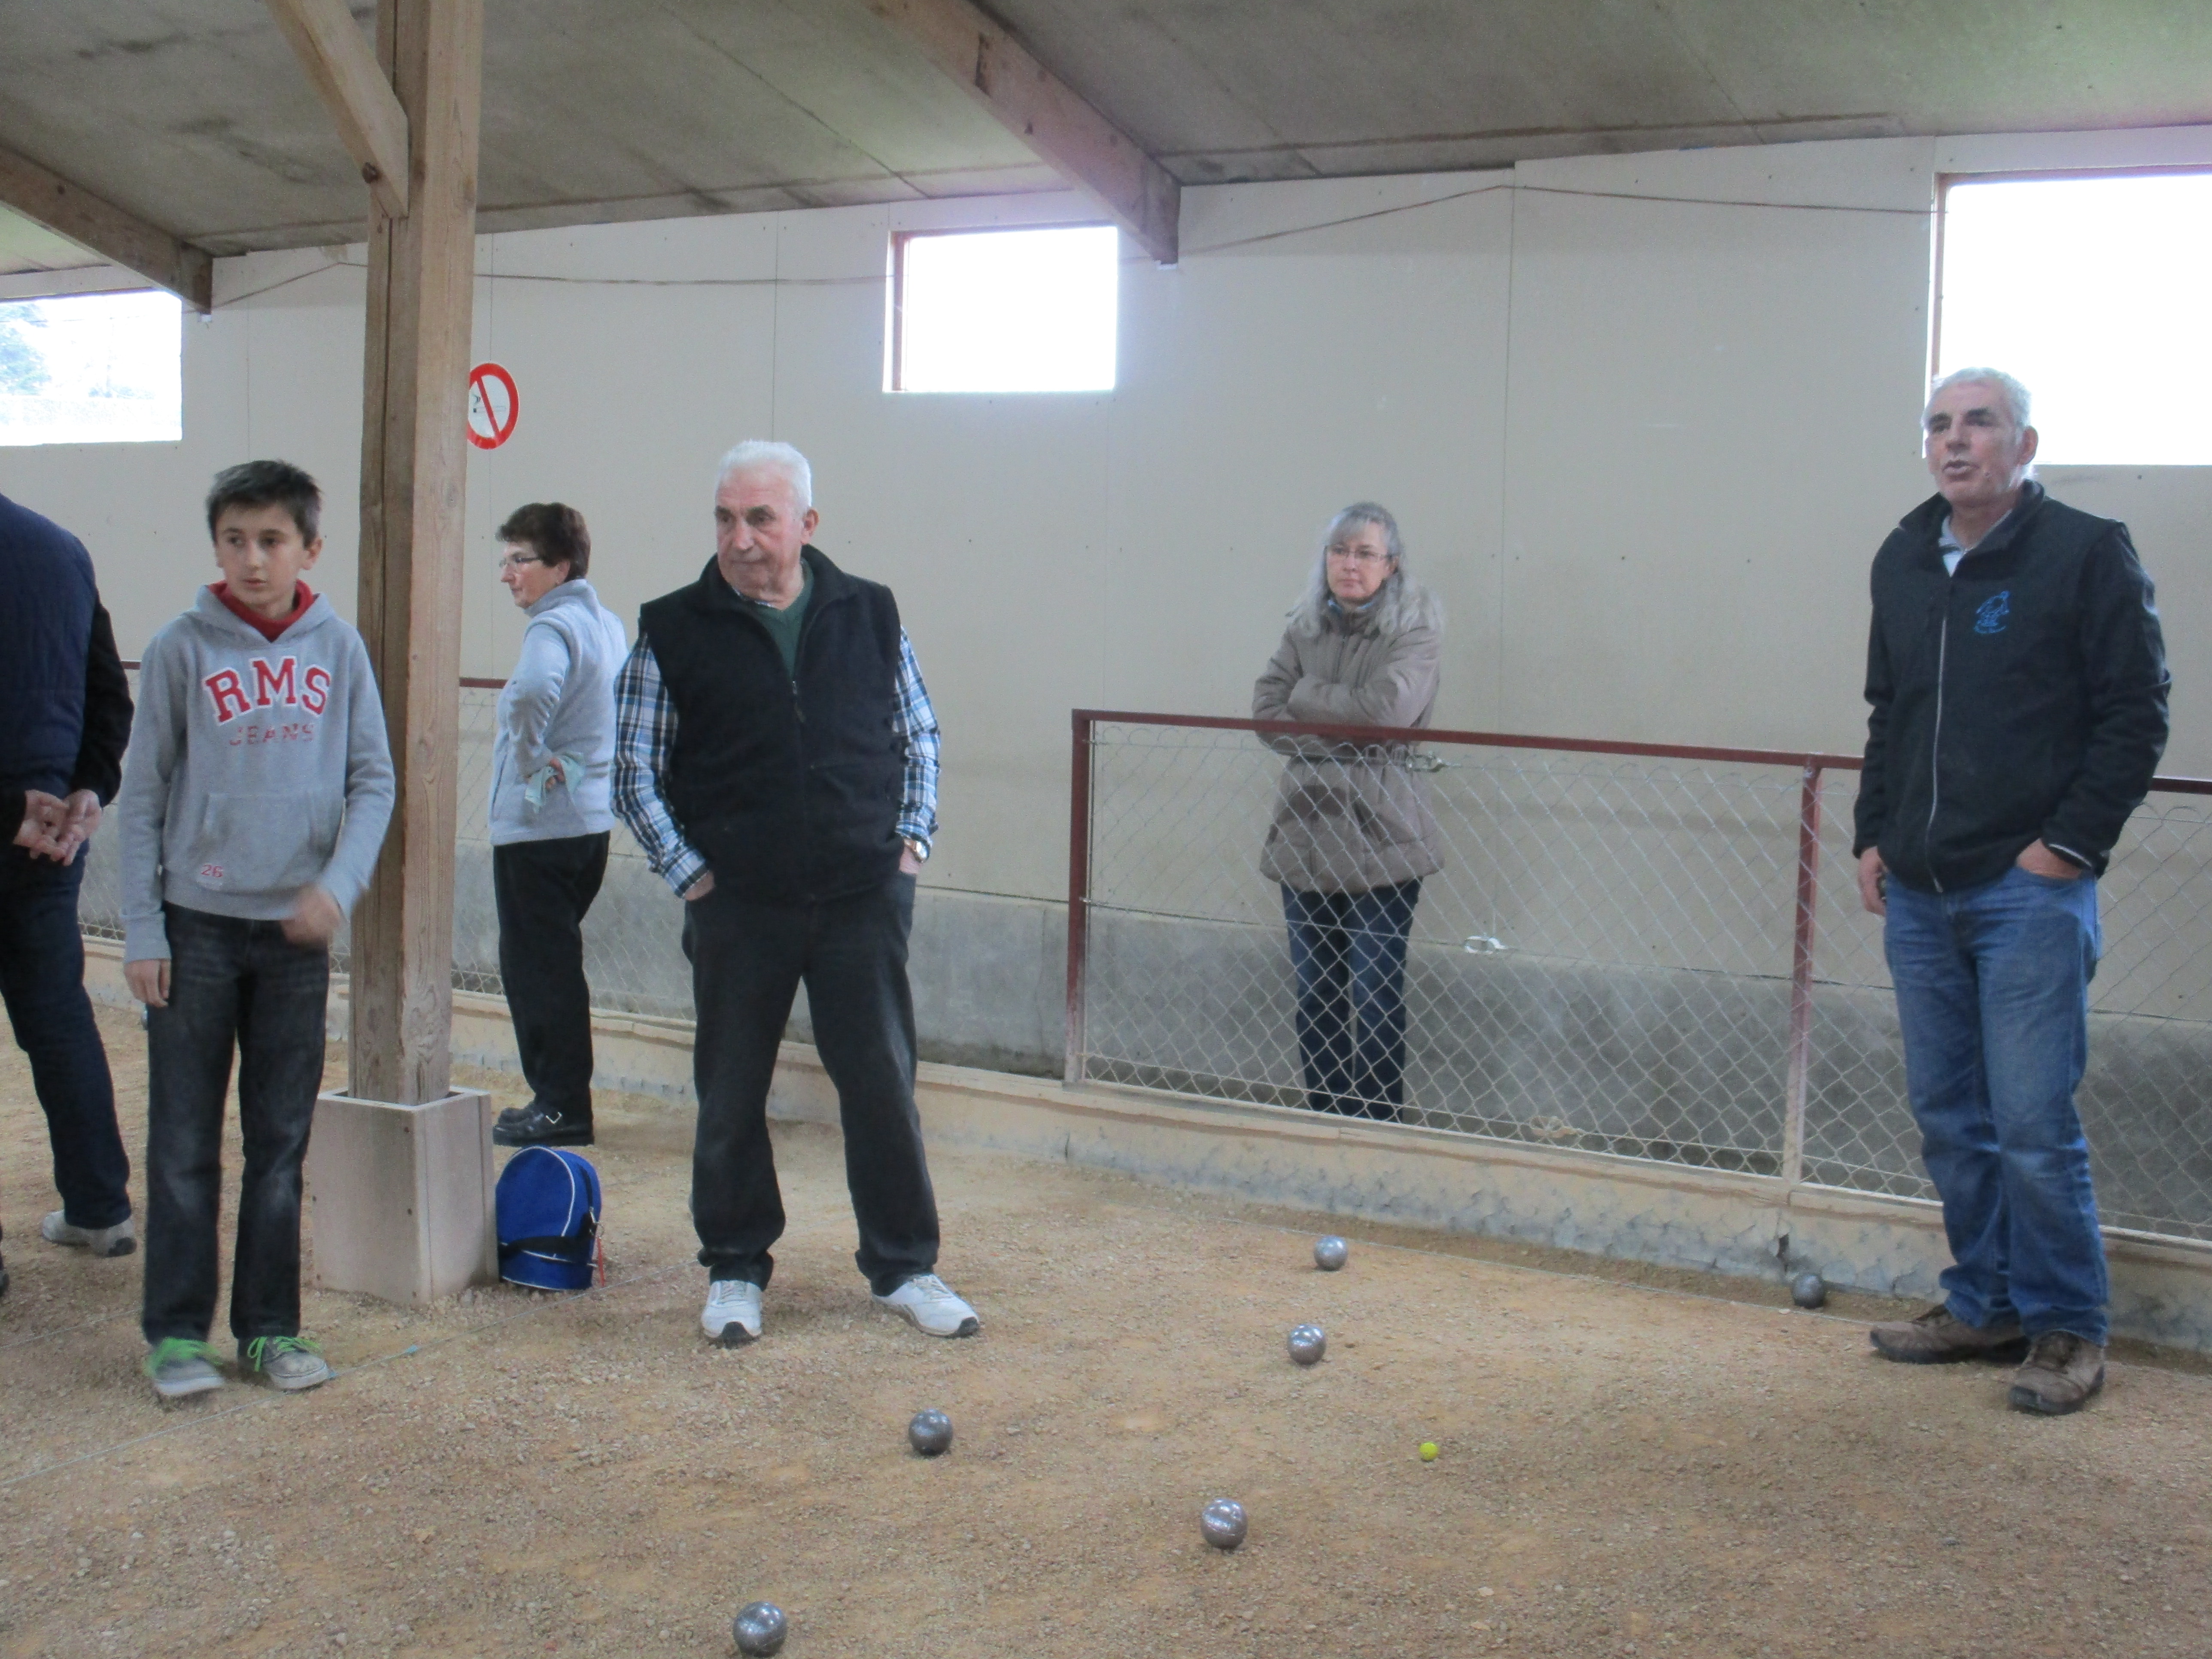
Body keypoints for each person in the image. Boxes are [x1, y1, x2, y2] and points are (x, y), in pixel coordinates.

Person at [1855, 368, 2169, 1416]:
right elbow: (1887, 713)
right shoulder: (1902, 559)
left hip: (2025, 890)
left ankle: (2066, 1327)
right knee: (1950, 1116)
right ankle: (1983, 1301)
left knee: (2032, 1122)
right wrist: (1872, 836)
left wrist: (2067, 847)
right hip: (1918, 891)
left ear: (2023, 444)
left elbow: (2135, 712)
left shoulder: (2083, 553)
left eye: (1977, 424)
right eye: (1937, 425)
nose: (1954, 441)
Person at [613, 439, 975, 1346]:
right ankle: (735, 1267)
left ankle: (905, 1266)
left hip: (862, 896)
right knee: (730, 1090)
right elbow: (631, 768)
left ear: (805, 526)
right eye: (726, 519)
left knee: (882, 1084)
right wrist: (690, 874)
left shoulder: (870, 613)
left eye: (760, 518)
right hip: (738, 903)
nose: (739, 539)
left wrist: (912, 841)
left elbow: (920, 733)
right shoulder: (671, 627)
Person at [117, 460, 395, 1398]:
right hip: (195, 930)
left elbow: (374, 781)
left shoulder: (337, 649)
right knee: (185, 1143)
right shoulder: (180, 649)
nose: (251, 558)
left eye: (271, 540)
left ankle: (271, 1330)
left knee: (277, 1144)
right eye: (234, 539)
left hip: (293, 941)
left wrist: (337, 887)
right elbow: (143, 798)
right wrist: (144, 931)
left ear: (309, 548)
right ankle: (177, 1337)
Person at [1252, 503, 1443, 1121]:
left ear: (1391, 565)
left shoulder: (1415, 633)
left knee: (1375, 991)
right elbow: (1264, 714)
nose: (1349, 564)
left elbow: (1385, 716)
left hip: (1382, 839)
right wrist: (1343, 725)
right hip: (1304, 832)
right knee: (1317, 994)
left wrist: (1309, 698)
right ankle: (1326, 1119)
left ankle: (1376, 1127)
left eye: (1364, 553)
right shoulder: (1302, 628)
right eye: (1340, 551)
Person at [0, 491, 136, 1300]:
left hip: (18, 819)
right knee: (58, 1021)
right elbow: (107, 697)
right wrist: (88, 793)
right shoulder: (61, 549)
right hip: (52, 836)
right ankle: (100, 1207)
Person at [485, 503, 628, 1149]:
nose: (508, 574)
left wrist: (528, 756)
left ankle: (560, 1104)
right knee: (557, 964)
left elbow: (530, 692)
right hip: (587, 826)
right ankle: (563, 1097)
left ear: (560, 567)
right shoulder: (607, 625)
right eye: (506, 560)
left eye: (521, 560)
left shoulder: (552, 629)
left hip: (539, 830)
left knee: (538, 970)